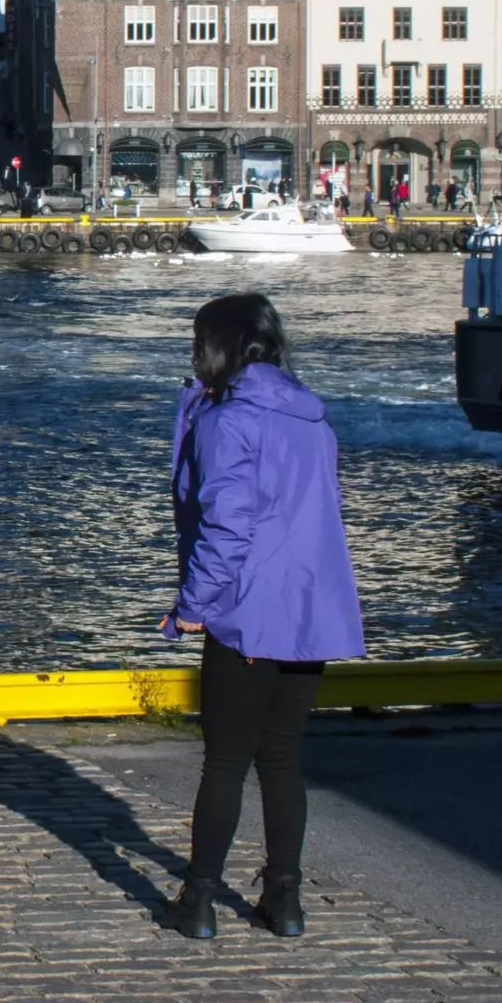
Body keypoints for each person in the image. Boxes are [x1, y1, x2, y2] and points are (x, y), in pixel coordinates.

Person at [165, 293, 364, 939]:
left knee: (224, 762)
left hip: (248, 614)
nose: (193, 355)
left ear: (217, 346)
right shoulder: (313, 420)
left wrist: (192, 607)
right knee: (282, 761)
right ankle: (286, 899)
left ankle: (197, 901)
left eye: (198, 343)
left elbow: (227, 528)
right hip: (312, 615)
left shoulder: (227, 422)